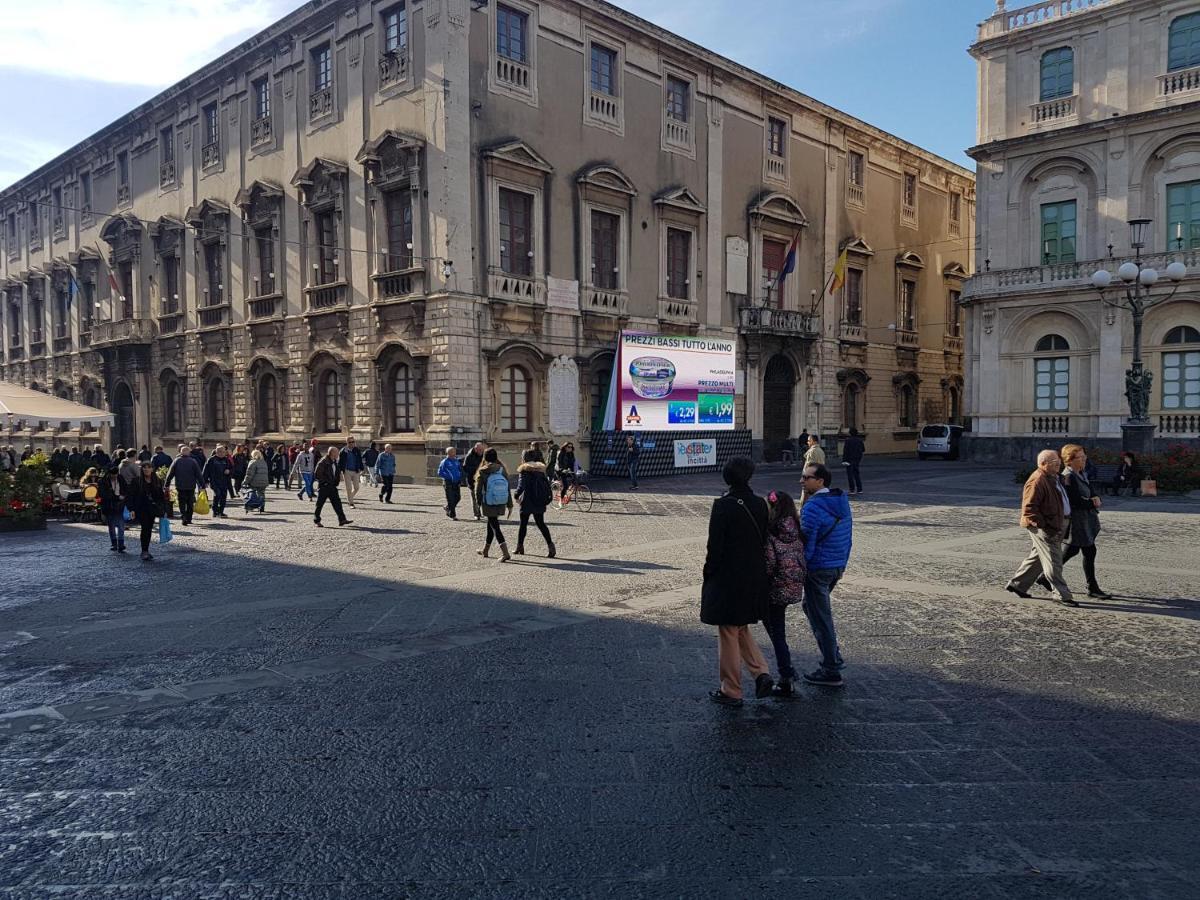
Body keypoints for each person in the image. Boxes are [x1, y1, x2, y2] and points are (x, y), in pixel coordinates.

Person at [701, 456, 773, 707]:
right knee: (740, 626)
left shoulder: (723, 506)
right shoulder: (761, 504)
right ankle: (761, 672)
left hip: (728, 577)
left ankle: (731, 689)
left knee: (728, 631)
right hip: (754, 576)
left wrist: (708, 573)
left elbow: (715, 547)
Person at [799, 463, 853, 686]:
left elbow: (806, 543)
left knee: (822, 617)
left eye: (806, 477)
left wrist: (803, 568)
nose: (802, 481)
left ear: (820, 481)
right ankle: (832, 657)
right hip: (836, 565)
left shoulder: (813, 507)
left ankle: (831, 667)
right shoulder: (840, 501)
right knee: (811, 607)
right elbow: (848, 535)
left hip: (819, 568)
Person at [1005, 449, 1077, 608]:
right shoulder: (1037, 480)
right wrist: (1045, 526)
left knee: (1038, 556)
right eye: (1054, 462)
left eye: (1058, 460)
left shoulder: (1054, 477)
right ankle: (1061, 594)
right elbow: (1029, 509)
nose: (1058, 463)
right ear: (1043, 464)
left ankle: (1017, 584)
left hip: (1057, 523)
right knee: (1054, 561)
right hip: (1045, 527)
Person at [1051, 444, 1111, 600]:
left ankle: (1046, 576)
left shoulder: (1081, 473)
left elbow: (1091, 491)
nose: (1084, 459)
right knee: (1088, 551)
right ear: (1069, 461)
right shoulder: (1068, 477)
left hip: (1086, 519)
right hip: (1078, 521)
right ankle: (1092, 587)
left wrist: (1095, 497)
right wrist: (1093, 503)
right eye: (1080, 457)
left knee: (1074, 550)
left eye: (1084, 456)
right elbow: (1075, 501)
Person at [762, 490, 805, 697]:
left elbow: (769, 565)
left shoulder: (771, 533)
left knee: (777, 633)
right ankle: (787, 673)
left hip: (775, 589)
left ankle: (786, 675)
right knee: (778, 631)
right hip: (792, 587)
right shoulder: (795, 529)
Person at [474, 448, 513, 561]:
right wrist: (509, 504)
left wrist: (478, 503)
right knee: (491, 525)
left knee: (495, 526)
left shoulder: (483, 471)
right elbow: (507, 487)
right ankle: (485, 550)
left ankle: (505, 553)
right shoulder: (502, 469)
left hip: (488, 502)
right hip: (501, 500)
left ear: (485, 458)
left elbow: (478, 490)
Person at [514, 449, 555, 557]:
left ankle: (519, 546)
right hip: (539, 500)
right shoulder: (540, 469)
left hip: (527, 500)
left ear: (524, 458)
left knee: (523, 524)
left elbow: (521, 486)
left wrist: (516, 495)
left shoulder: (524, 469)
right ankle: (551, 546)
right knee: (541, 524)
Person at [126, 461, 166, 561]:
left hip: (152, 509)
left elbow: (161, 497)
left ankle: (146, 550)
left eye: (148, 467)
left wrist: (163, 509)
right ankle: (144, 551)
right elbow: (130, 496)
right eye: (144, 467)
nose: (146, 469)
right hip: (141, 508)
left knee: (148, 529)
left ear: (152, 469)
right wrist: (131, 509)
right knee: (145, 528)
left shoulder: (157, 481)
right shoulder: (136, 481)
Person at [164, 444, 203, 526]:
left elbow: (170, 474)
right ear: (189, 453)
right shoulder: (193, 461)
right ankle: (189, 518)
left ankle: (183, 516)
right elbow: (198, 474)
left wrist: (166, 484)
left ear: (181, 452)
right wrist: (202, 485)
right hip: (191, 485)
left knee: (182, 502)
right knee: (190, 502)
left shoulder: (176, 461)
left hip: (180, 485)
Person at [314, 446, 352, 527]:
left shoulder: (334, 461)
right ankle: (317, 520)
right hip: (324, 487)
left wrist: (336, 482)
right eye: (337, 452)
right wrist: (325, 483)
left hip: (332, 486)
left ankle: (342, 520)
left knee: (337, 503)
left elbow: (336, 473)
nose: (338, 453)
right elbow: (317, 474)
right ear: (332, 453)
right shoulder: (323, 461)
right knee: (319, 505)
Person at [97, 464, 128, 553]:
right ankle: (114, 544)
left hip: (120, 505)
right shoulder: (103, 481)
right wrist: (117, 497)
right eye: (112, 475)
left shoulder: (120, 478)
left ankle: (121, 544)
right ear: (109, 474)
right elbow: (104, 495)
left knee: (121, 526)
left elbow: (125, 488)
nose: (114, 477)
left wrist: (124, 496)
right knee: (111, 525)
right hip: (109, 505)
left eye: (116, 475)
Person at [203, 445, 234, 519]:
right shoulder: (211, 460)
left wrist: (229, 471)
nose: (222, 453)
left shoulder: (226, 460)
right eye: (220, 452)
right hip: (214, 481)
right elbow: (206, 471)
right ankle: (215, 511)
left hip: (224, 481)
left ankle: (221, 512)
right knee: (217, 495)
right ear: (216, 452)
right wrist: (205, 481)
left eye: (223, 452)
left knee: (223, 496)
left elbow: (232, 468)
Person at [463, 442, 487, 521]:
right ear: (475, 449)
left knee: (482, 496)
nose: (481, 451)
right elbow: (465, 468)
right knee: (474, 497)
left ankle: (481, 512)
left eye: (482, 450)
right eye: (480, 450)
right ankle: (476, 514)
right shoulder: (469, 456)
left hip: (481, 479)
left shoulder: (483, 455)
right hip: (472, 480)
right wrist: (477, 470)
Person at [436, 446, 462, 518]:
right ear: (449, 453)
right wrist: (449, 477)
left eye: (454, 451)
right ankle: (452, 515)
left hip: (456, 482)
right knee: (450, 499)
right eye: (453, 451)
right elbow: (440, 472)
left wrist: (460, 476)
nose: (455, 453)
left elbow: (459, 470)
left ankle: (448, 508)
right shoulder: (444, 462)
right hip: (448, 483)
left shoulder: (456, 461)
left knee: (457, 498)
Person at [338, 437, 364, 507]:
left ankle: (349, 498)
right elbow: (340, 462)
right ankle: (351, 503)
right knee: (348, 488)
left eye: (353, 442)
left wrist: (362, 468)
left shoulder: (357, 450)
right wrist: (340, 472)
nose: (352, 443)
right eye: (350, 442)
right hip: (347, 471)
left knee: (356, 488)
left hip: (355, 471)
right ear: (347, 443)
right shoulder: (343, 451)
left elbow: (359, 460)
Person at [243, 449, 271, 513]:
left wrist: (245, 481)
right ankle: (262, 506)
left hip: (255, 482)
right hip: (264, 482)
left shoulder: (252, 462)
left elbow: (249, 474)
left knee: (252, 493)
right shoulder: (263, 462)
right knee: (262, 494)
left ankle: (252, 505)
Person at [841, 428, 865, 495]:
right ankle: (859, 489)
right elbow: (863, 450)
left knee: (850, 475)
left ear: (850, 433)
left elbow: (845, 451)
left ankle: (852, 490)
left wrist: (844, 460)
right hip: (857, 459)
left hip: (849, 460)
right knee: (857, 474)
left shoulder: (848, 441)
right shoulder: (860, 440)